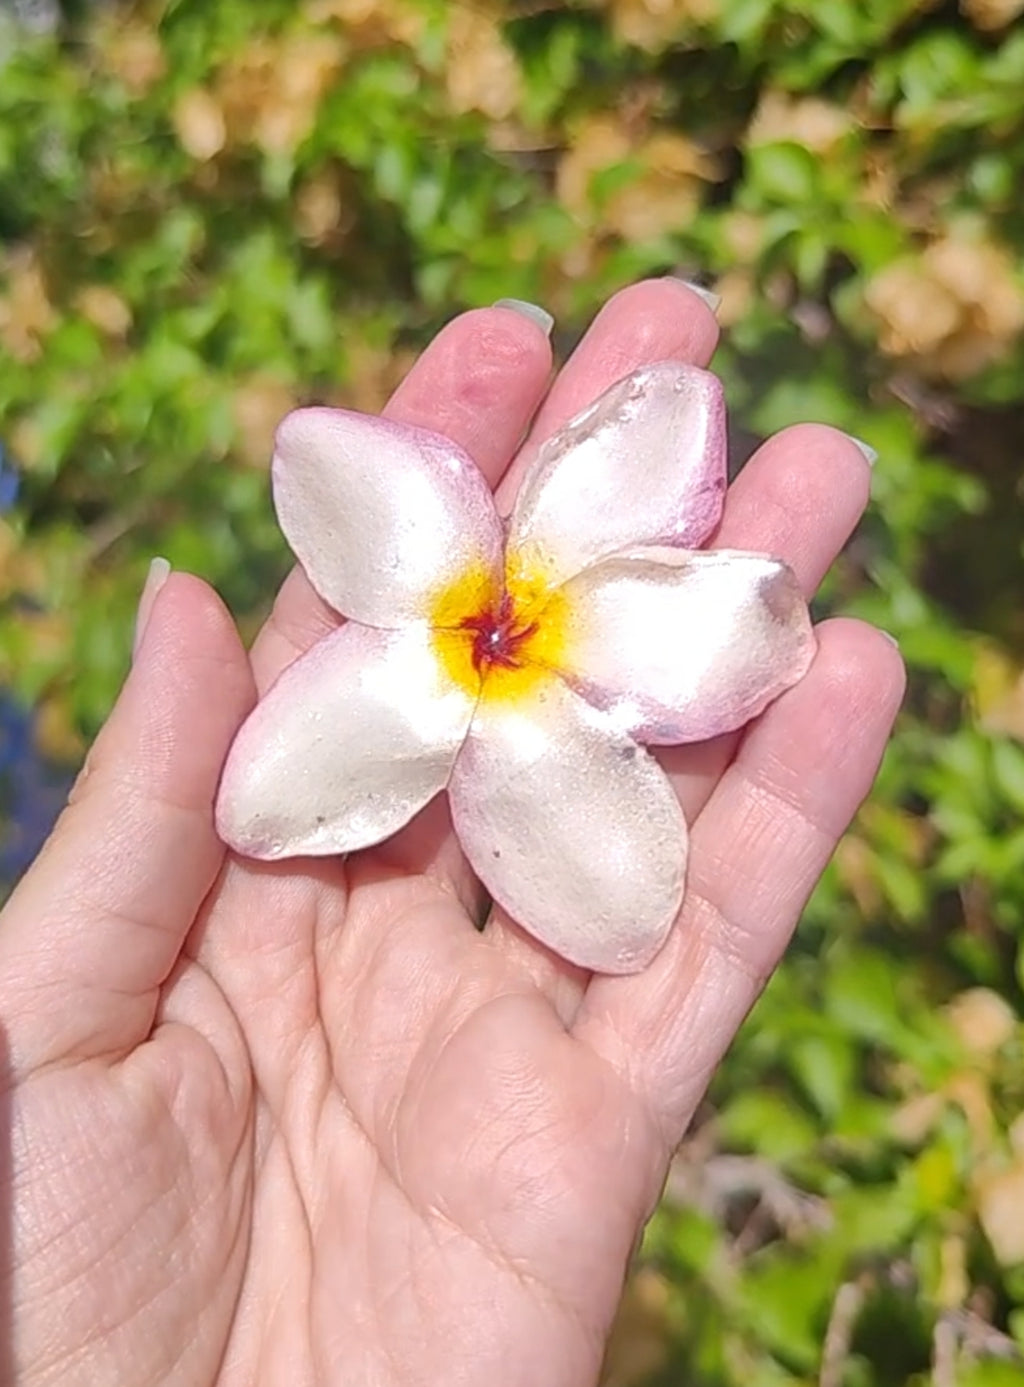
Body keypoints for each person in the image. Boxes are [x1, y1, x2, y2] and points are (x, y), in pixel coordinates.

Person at [0, 279, 904, 1386]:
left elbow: (682, 478)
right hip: (437, 663)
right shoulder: (406, 636)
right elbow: (322, 493)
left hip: (531, 674)